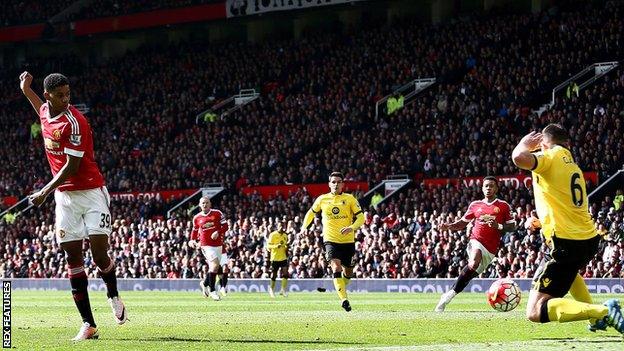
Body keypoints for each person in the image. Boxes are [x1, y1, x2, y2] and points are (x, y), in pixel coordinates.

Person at [19, 71, 127, 341]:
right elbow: (40, 111)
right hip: (65, 198)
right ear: (48, 96)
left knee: (99, 255)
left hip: (91, 192)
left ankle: (113, 294)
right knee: (72, 258)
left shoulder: (75, 122)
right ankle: (88, 324)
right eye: (60, 95)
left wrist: (44, 190)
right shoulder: (45, 110)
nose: (66, 99)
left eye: (68, 94)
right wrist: (25, 90)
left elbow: (72, 166)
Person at [511, 124, 623, 334]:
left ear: (543, 144)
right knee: (570, 272)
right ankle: (594, 320)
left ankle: (604, 311)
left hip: (565, 242)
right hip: (587, 238)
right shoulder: (572, 165)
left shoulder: (550, 157)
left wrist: (523, 144)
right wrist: (541, 221)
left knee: (535, 310)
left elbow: (519, 158)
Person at [435, 176, 516, 312]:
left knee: (470, 274)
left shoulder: (503, 206)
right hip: (476, 240)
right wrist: (449, 226)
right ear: (482, 188)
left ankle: (450, 294)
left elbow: (512, 226)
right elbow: (462, 223)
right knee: (473, 263)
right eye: (486, 186)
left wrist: (499, 226)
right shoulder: (475, 205)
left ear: (496, 188)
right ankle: (448, 296)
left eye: (491, 186)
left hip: (490, 249)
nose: (488, 188)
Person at [302, 172, 364, 311]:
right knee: (336, 268)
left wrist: (351, 227)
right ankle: (344, 299)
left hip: (348, 241)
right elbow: (311, 213)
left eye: (338, 182)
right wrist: (303, 228)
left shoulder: (350, 199)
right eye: (333, 182)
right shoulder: (322, 199)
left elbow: (361, 218)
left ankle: (341, 286)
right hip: (331, 240)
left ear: (343, 184)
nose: (336, 184)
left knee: (348, 271)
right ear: (329, 184)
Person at [189, 197, 228, 301]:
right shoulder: (197, 218)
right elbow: (194, 231)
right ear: (199, 205)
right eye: (202, 203)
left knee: (215, 268)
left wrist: (218, 232)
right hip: (205, 245)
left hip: (218, 245)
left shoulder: (217, 213)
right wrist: (192, 240)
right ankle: (212, 291)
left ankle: (204, 283)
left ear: (210, 204)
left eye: (206, 203)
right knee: (215, 265)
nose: (205, 205)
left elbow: (226, 226)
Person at [267, 221, 289, 298]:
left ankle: (283, 290)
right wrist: (276, 246)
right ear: (277, 227)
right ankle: (271, 290)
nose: (282, 227)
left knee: (286, 273)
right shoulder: (272, 235)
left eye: (283, 226)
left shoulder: (285, 235)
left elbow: (285, 245)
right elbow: (268, 246)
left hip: (283, 257)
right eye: (280, 226)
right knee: (274, 275)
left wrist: (286, 248)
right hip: (275, 258)